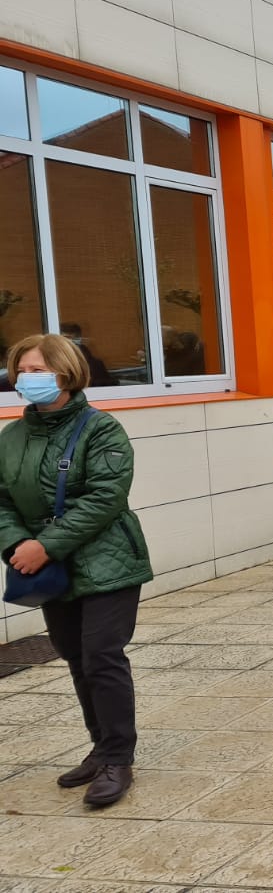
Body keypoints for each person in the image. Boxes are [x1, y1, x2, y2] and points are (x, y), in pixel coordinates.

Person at [0, 334, 152, 807]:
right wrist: (15, 544)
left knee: (102, 655)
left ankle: (117, 759)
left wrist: (44, 545)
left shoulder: (101, 429)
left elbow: (106, 498)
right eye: (21, 370)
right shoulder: (12, 436)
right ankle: (100, 746)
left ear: (66, 373)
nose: (28, 378)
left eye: (37, 369)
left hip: (108, 561)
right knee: (74, 655)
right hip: (50, 567)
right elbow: (2, 501)